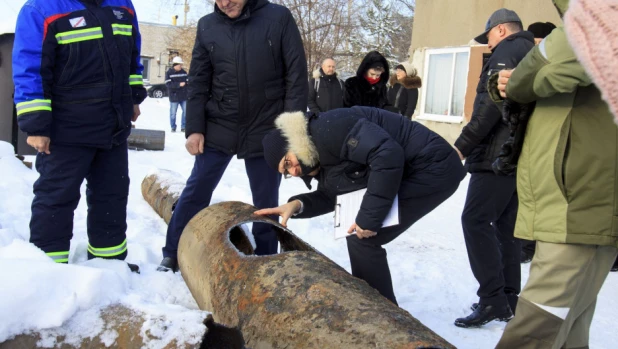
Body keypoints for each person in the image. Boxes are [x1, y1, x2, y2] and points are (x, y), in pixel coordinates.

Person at [490, 1, 618, 347]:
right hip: (566, 203)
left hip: (579, 204)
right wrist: (516, 83)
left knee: (532, 333)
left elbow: (527, 80)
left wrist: (520, 82)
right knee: (568, 331)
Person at [255, 107, 466, 305]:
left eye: (287, 162)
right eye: (285, 172)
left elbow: (387, 154)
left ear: (292, 142)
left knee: (363, 237)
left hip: (432, 166)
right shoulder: (316, 153)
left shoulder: (327, 129)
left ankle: (385, 319)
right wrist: (297, 204)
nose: (292, 172)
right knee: (359, 237)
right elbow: (333, 193)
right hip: (413, 169)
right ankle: (376, 310)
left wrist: (368, 219)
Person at [157, 0, 308, 272]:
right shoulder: (207, 26)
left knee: (266, 200)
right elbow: (199, 81)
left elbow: (296, 77)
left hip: (266, 125)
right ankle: (172, 252)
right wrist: (194, 128)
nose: (225, 2)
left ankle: (264, 260)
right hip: (220, 123)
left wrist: (290, 133)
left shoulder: (278, 18)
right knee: (197, 190)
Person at [12, 0, 146, 272]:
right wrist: (36, 125)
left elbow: (132, 56)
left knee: (112, 195)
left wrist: (133, 98)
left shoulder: (123, 5)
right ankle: (49, 267)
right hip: (66, 129)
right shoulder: (41, 9)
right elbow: (30, 68)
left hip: (113, 126)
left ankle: (109, 264)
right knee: (56, 198)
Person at [452, 8, 535, 328]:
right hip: (516, 156)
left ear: (500, 29)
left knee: (474, 220)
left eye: (488, 36)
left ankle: (491, 299)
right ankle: (507, 299)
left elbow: (490, 106)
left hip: (496, 155)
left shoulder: (508, 50)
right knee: (504, 227)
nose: (487, 44)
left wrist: (462, 145)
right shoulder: (529, 51)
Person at [517, 21, 556, 264]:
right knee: (528, 195)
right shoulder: (525, 65)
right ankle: (528, 245)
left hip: (552, 141)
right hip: (530, 141)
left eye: (540, 45)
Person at [165, 56, 188, 133]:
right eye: (179, 65)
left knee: (186, 112)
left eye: (181, 65)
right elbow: (168, 84)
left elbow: (188, 83)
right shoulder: (169, 73)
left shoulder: (184, 73)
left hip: (184, 96)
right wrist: (178, 84)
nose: (181, 66)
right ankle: (173, 127)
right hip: (174, 97)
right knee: (173, 113)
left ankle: (183, 127)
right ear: (175, 65)